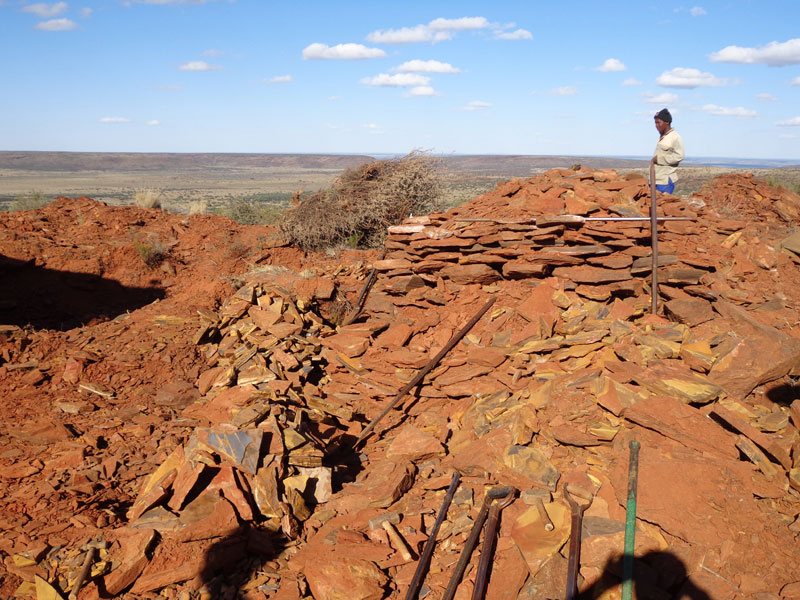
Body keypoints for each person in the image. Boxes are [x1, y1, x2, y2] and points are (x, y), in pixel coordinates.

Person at [651, 108, 684, 195]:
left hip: (665, 181)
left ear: (667, 122)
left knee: (661, 205)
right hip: (656, 179)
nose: (656, 125)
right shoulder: (664, 137)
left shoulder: (674, 137)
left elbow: (679, 156)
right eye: (655, 123)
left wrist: (659, 159)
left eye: (658, 122)